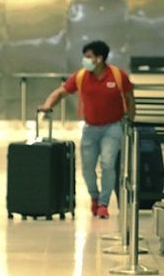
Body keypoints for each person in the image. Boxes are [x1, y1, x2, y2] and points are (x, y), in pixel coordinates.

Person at [40, 40, 135, 219]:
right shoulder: (81, 76)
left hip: (113, 127)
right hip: (90, 128)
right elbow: (60, 92)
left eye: (89, 56)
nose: (85, 60)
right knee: (87, 168)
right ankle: (94, 196)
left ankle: (103, 204)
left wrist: (130, 119)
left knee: (107, 163)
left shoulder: (117, 75)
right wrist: (47, 105)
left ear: (99, 58)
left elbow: (130, 97)